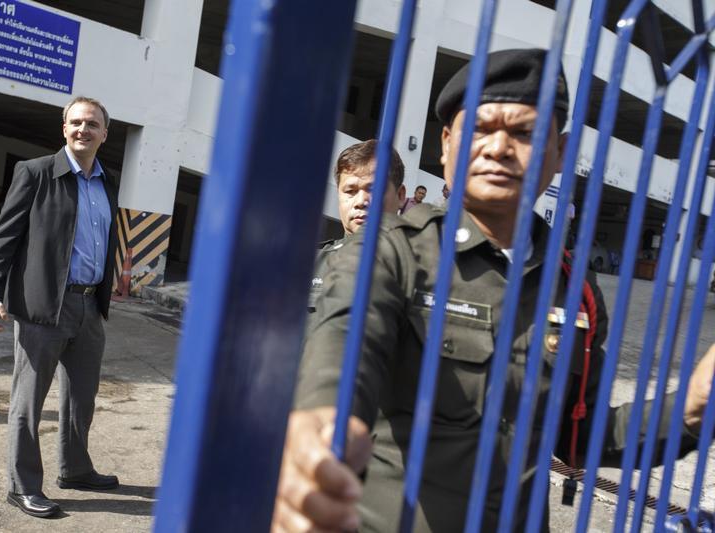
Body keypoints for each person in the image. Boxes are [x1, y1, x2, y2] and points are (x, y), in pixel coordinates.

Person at [273, 49, 715, 532]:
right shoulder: (391, 253)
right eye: (480, 130)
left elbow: (578, 435)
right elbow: (343, 356)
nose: (499, 148)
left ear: (560, 153)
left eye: (524, 133)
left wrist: (692, 403)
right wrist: (319, 434)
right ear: (446, 145)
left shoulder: (573, 289)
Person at [0, 96, 119, 518]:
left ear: (104, 134)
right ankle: (21, 486)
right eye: (75, 122)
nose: (83, 129)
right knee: (28, 401)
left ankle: (75, 469)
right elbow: (3, 237)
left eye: (92, 124)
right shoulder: (37, 172)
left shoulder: (107, 181)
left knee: (82, 397)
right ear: (63, 128)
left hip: (90, 307)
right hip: (43, 308)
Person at [309, 140, 405, 311]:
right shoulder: (310, 264)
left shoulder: (422, 271)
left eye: (374, 190)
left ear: (400, 195)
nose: (361, 201)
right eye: (350, 191)